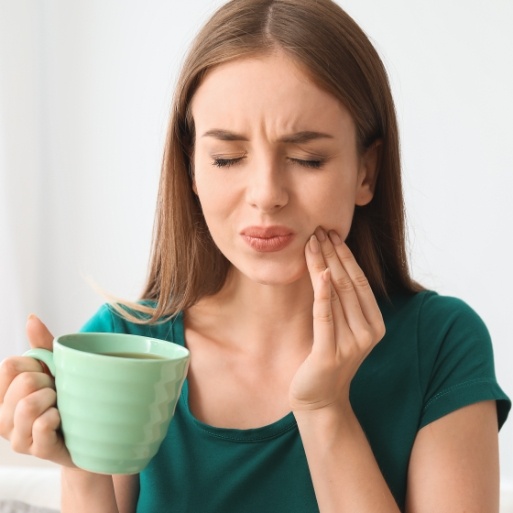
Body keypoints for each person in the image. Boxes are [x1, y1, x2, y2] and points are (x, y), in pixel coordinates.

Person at [0, 0, 510, 511]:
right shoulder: (122, 346)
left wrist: (325, 409)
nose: (266, 194)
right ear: (192, 169)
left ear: (366, 172)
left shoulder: (441, 345)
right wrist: (80, 465)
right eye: (227, 158)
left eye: (307, 158)